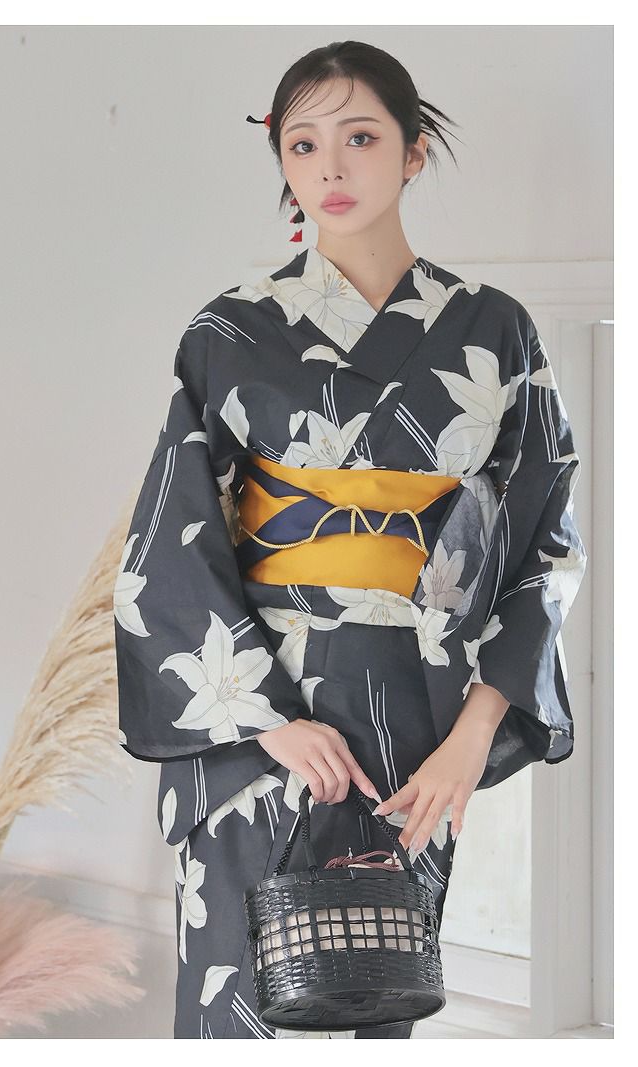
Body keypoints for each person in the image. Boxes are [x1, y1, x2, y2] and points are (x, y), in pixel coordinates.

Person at [113, 40, 588, 1040]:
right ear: (282, 164)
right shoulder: (228, 332)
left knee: (377, 1001)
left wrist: (469, 741)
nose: (329, 167)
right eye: (302, 144)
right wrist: (265, 720)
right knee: (241, 1014)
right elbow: (169, 542)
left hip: (416, 730)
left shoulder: (494, 330)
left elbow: (545, 541)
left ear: (413, 152)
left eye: (360, 137)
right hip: (256, 732)